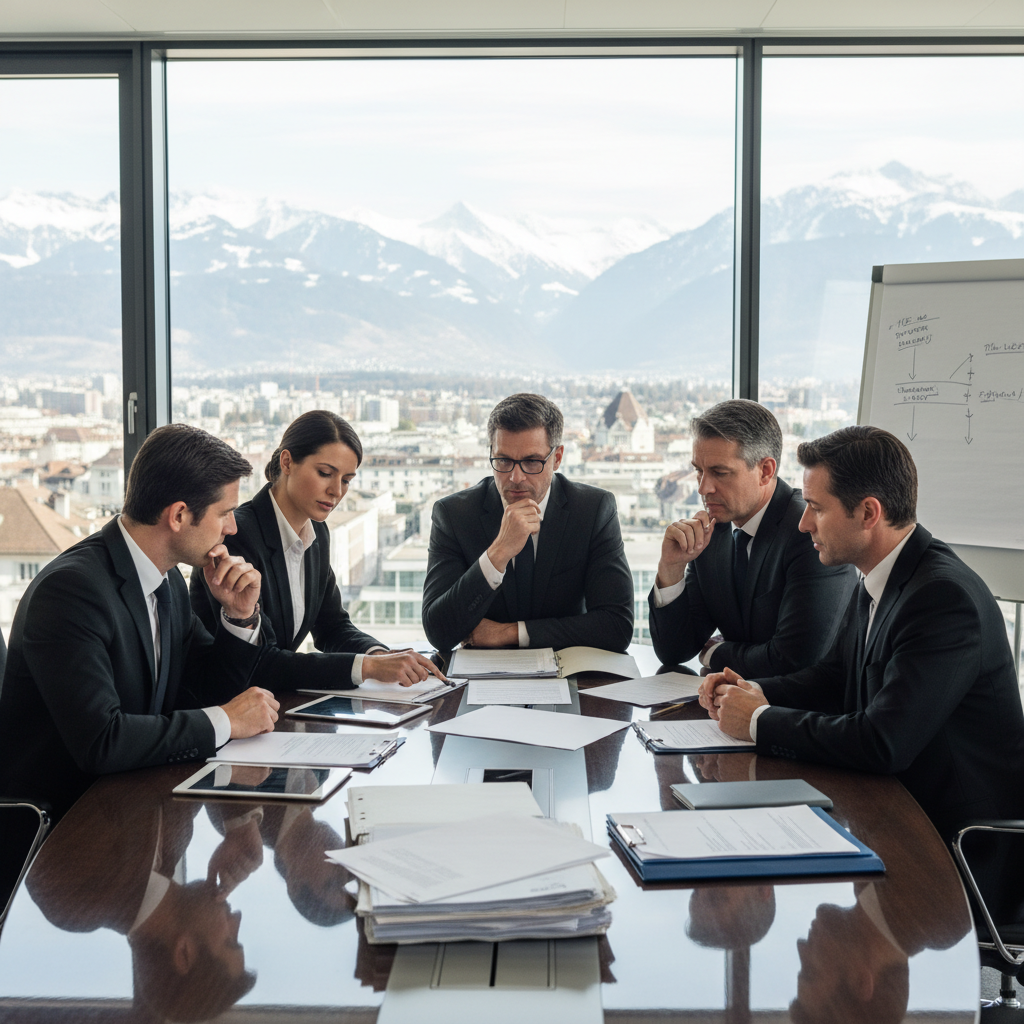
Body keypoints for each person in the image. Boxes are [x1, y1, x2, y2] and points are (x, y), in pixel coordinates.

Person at [698, 425, 1024, 841]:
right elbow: (834, 680)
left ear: (869, 513)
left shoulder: (943, 599)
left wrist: (759, 720)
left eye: (816, 508)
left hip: (954, 842)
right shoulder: (878, 575)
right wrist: (749, 690)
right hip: (889, 811)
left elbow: (883, 742)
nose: (803, 524)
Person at [0, 423, 280, 820]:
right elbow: (103, 741)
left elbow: (210, 691)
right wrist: (226, 720)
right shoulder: (71, 591)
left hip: (137, 805)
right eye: (225, 513)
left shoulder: (167, 581)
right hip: (63, 830)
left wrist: (238, 615)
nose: (233, 528)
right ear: (179, 515)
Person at [189, 410, 442, 690]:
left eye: (346, 480)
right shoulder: (237, 537)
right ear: (287, 462)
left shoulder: (317, 532)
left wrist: (379, 655)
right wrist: (366, 668)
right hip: (223, 702)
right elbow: (262, 660)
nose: (336, 491)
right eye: (325, 473)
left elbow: (331, 626)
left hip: (272, 703)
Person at [649, 399, 856, 675]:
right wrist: (671, 568)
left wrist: (716, 652)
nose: (703, 488)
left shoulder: (809, 532)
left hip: (808, 711)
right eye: (699, 470)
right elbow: (674, 650)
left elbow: (795, 660)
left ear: (765, 471)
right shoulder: (714, 531)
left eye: (719, 473)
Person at [421, 392, 634, 654]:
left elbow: (617, 626)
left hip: (569, 678)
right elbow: (438, 632)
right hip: (482, 682)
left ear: (556, 458)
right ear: (491, 454)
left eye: (532, 461)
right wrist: (497, 553)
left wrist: (510, 633)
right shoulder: (454, 514)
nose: (516, 477)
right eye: (504, 461)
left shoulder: (592, 510)